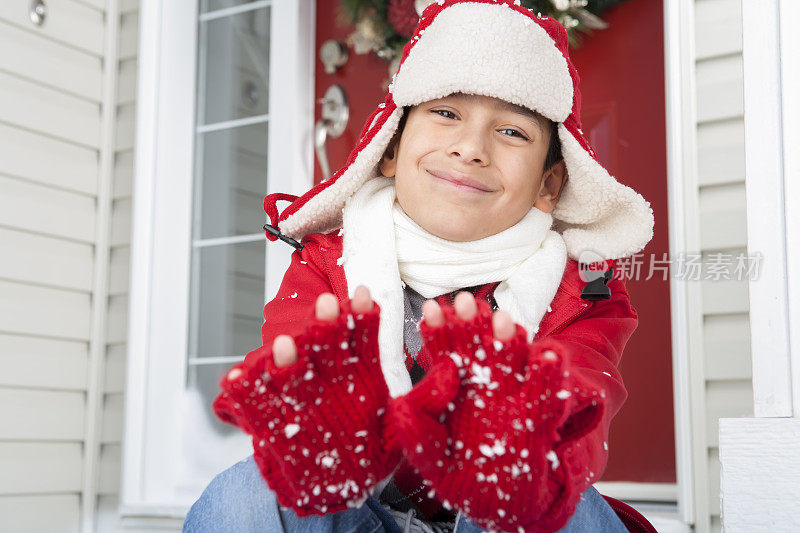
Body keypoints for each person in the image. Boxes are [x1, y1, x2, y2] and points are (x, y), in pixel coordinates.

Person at [184, 1, 654, 531]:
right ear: (389, 149)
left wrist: (523, 427)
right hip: (363, 509)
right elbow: (295, 369)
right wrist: (318, 417)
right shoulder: (329, 264)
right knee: (246, 495)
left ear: (549, 185)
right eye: (447, 113)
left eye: (512, 132)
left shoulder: (580, 292)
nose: (470, 148)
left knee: (540, 495)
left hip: (505, 507)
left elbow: (584, 396)